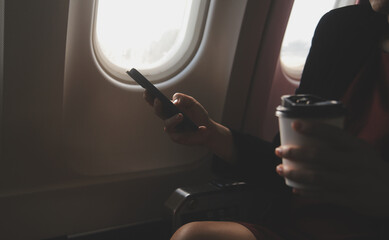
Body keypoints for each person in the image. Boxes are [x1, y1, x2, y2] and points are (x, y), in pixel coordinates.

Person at [144, 1, 389, 239]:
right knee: (191, 236)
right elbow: (286, 163)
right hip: (297, 226)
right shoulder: (342, 29)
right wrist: (211, 133)